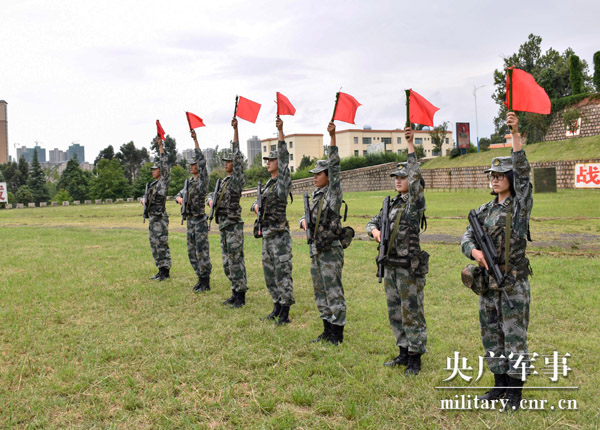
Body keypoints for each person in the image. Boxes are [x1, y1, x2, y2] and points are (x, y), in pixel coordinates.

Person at [460, 112, 533, 411]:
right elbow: (466, 238)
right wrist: (474, 253)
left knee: (514, 336)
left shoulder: (519, 207)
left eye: (500, 176)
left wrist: (515, 135)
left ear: (510, 179)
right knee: (491, 333)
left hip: (512, 281)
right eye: (492, 176)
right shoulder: (482, 210)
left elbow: (525, 175)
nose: (494, 180)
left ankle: (515, 393)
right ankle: (499, 385)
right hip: (486, 283)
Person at [366, 127, 428, 375]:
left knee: (412, 312)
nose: (398, 180)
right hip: (390, 265)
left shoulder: (414, 205)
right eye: (396, 177)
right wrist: (374, 232)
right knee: (395, 312)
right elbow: (371, 222)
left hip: (408, 267)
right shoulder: (390, 205)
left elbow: (416, 181)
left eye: (402, 177)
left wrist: (411, 147)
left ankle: (415, 357)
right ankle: (403, 351)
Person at [300, 121, 346, 344]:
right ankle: (326, 328)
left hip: (330, 250)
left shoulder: (332, 194)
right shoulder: (315, 195)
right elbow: (307, 216)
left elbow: (336, 170)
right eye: (314, 174)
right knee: (320, 291)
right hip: (315, 249)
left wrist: (333, 138)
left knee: (333, 290)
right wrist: (303, 222)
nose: (314, 177)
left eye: (319, 174)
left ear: (328, 176)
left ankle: (337, 333)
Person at [252, 117, 294, 324]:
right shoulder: (269, 184)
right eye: (267, 160)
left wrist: (281, 131)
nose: (268, 162)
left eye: (271, 159)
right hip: (267, 233)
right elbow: (256, 203)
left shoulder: (282, 183)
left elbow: (285, 159)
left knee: (282, 273)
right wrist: (255, 206)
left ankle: (285, 312)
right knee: (269, 273)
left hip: (279, 235)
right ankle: (276, 305)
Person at [206, 118, 248, 308]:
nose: (226, 164)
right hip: (223, 225)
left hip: (233, 225)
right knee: (226, 262)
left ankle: (241, 295)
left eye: (229, 161)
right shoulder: (222, 182)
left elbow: (238, 157)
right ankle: (234, 290)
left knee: (235, 260)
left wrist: (236, 131)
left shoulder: (236, 180)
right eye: (225, 161)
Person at [175, 129, 211, 292]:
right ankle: (199, 277)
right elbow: (179, 194)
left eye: (194, 165)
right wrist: (179, 199)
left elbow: (203, 162)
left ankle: (205, 280)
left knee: (201, 251)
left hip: (200, 220)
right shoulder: (188, 182)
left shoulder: (202, 181)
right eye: (190, 165)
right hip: (190, 220)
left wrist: (196, 141)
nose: (191, 167)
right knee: (192, 252)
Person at [142, 137, 172, 281]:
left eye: (155, 169)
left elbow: (165, 164)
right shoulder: (153, 185)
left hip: (160, 217)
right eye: (153, 169)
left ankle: (165, 270)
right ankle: (160, 269)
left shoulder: (163, 182)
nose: (153, 171)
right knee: (154, 244)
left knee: (161, 243)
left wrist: (161, 147)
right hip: (153, 217)